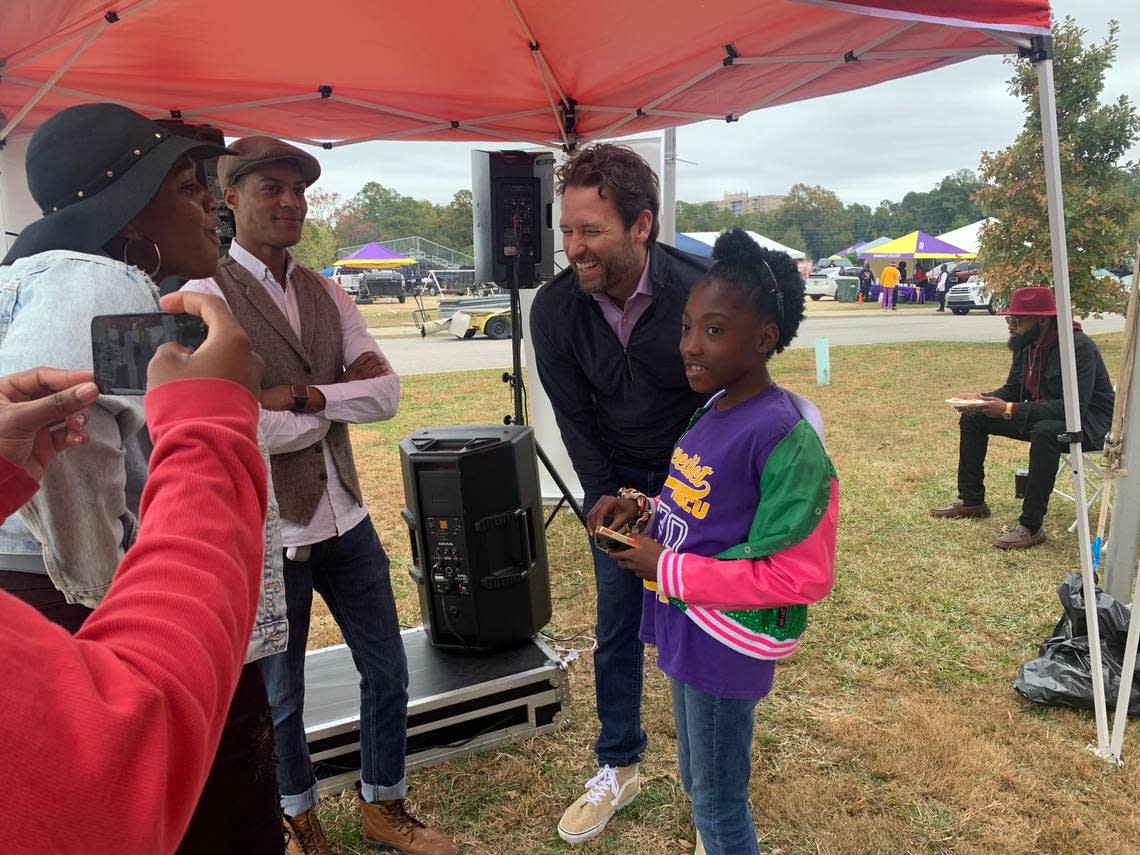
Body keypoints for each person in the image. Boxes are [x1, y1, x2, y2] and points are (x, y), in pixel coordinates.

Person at [0, 103, 288, 853]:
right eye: (190, 186)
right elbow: (80, 482)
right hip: (126, 628)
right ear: (128, 212)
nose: (213, 203)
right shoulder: (93, 280)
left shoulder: (37, 280)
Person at [183, 137, 456, 855]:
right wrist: (326, 404)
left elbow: (387, 392)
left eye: (297, 190)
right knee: (280, 696)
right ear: (230, 199)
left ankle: (383, 805)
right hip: (270, 530)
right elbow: (238, 420)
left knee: (389, 670)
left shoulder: (327, 289)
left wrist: (303, 394)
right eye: (270, 187)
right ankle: (297, 815)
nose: (289, 202)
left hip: (348, 515)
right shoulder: (207, 296)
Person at [588, 229, 838, 855]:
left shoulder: (784, 436)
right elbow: (698, 510)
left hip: (725, 641)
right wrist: (642, 510)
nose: (691, 347)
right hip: (686, 623)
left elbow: (798, 577)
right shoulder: (715, 408)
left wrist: (666, 570)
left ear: (763, 340)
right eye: (686, 328)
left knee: (720, 807)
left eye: (715, 331)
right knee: (700, 786)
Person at [529, 143, 711, 845]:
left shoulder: (704, 290)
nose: (574, 247)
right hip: (617, 492)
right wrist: (613, 500)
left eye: (591, 231)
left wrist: (681, 502)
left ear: (642, 225)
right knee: (615, 630)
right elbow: (576, 421)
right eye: (566, 231)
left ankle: (711, 794)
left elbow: (732, 404)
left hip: (701, 490)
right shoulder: (554, 311)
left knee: (697, 641)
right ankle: (618, 765)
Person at [930, 286, 1115, 549]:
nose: (1011, 327)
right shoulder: (1026, 345)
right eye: (1009, 319)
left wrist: (1009, 410)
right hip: (1045, 417)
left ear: (1042, 320)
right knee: (974, 418)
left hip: (1091, 425)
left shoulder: (1078, 348)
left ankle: (1031, 526)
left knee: (1045, 432)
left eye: (1017, 321)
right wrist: (979, 400)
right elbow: (1013, 390)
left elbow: (1074, 408)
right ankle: (972, 501)